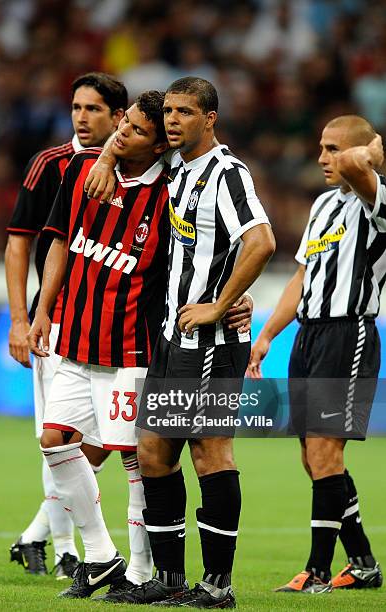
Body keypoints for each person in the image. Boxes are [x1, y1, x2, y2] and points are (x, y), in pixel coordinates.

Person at [100, 77, 275, 608]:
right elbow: (123, 138)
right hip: (174, 340)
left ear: (210, 118)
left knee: (210, 453)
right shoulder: (178, 169)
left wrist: (221, 305)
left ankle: (218, 586)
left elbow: (261, 241)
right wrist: (107, 158)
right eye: (169, 112)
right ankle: (170, 581)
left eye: (184, 112)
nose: (173, 120)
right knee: (153, 451)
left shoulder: (227, 173)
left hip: (213, 342)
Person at [248, 115, 384, 593]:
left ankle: (318, 571)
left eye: (332, 149)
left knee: (326, 452)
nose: (323, 158)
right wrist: (267, 336)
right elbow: (301, 277)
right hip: (308, 336)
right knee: (312, 457)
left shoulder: (376, 201)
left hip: (350, 335)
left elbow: (359, 163)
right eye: (321, 148)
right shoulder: (324, 205)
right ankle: (364, 561)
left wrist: (370, 150)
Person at [5, 72, 127, 577]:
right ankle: (64, 551)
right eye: (76, 106)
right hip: (57, 320)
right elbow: (19, 241)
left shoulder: (141, 167)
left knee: (104, 442)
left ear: (118, 117)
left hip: (120, 325)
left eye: (93, 108)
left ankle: (35, 535)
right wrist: (21, 317)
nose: (81, 116)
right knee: (58, 435)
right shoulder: (50, 164)